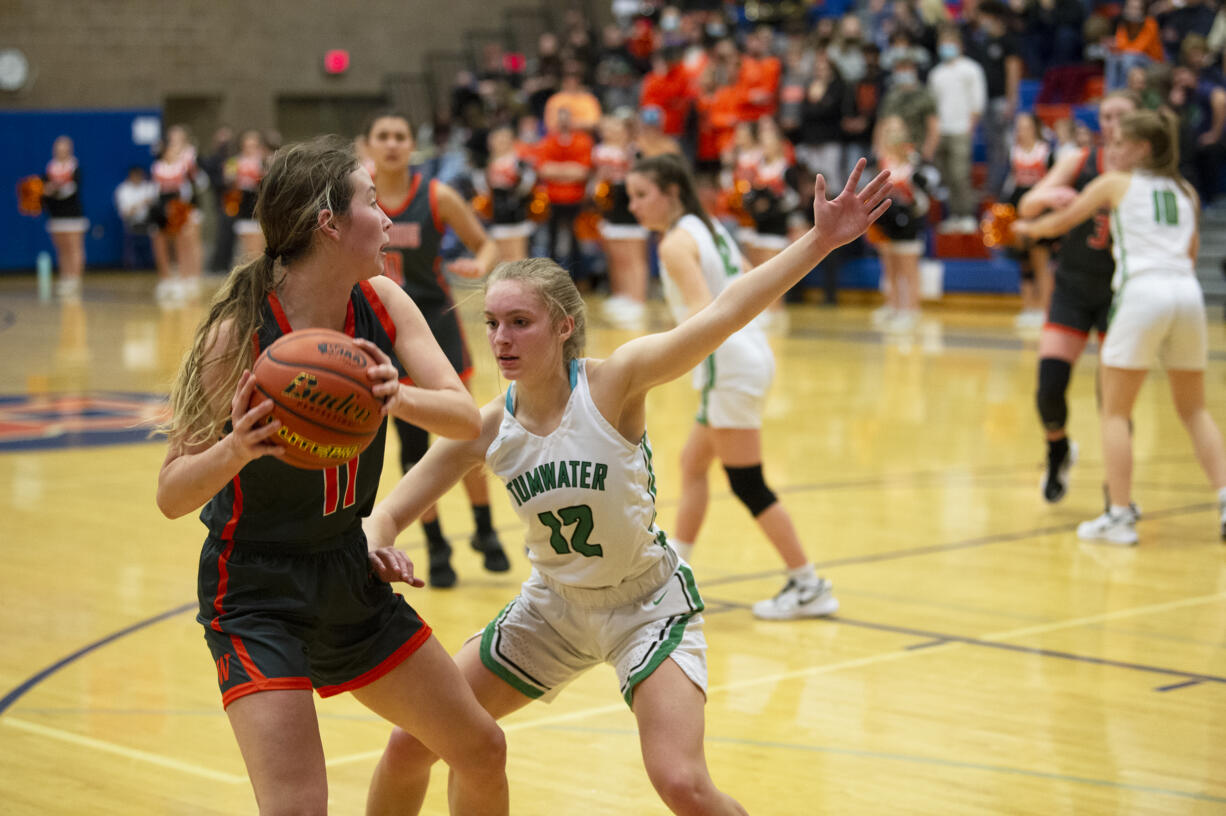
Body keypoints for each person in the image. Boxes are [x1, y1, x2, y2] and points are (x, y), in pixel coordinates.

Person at [360, 159, 893, 815]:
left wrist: (819, 241)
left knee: (682, 784)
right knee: (413, 743)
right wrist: (376, 544)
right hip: (551, 609)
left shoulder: (615, 382)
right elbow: (387, 513)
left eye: (519, 322)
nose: (501, 338)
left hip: (645, 606)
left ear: (563, 326)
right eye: (493, 323)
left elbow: (724, 313)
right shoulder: (486, 424)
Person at [154, 135, 508, 815]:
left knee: (481, 747)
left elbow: (463, 418)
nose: (389, 220)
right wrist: (234, 450)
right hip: (254, 589)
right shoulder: (239, 334)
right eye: (372, 203)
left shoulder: (382, 300)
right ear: (330, 223)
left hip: (348, 568)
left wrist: (392, 395)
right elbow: (171, 495)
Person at [627, 152, 840, 619]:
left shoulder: (675, 244)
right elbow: (749, 281)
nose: (634, 206)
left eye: (642, 195)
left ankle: (808, 583)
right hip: (748, 354)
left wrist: (657, 356)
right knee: (692, 464)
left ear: (672, 193)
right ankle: (674, 577)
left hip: (729, 364)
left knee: (747, 483)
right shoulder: (713, 228)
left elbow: (705, 315)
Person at [1016, 109, 1226, 545]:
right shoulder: (1187, 191)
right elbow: (1190, 252)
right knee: (1194, 409)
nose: (1109, 149)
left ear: (1143, 148)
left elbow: (1062, 221)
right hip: (1187, 296)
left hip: (1142, 292)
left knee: (1115, 411)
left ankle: (1119, 514)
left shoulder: (1116, 183)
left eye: (1119, 143)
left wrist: (1026, 228)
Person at [366, 111, 511, 587]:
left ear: (412, 146)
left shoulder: (436, 195)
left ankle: (486, 530)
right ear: (369, 145)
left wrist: (478, 265)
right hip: (384, 332)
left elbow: (485, 243)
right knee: (412, 448)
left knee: (464, 432)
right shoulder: (356, 196)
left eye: (400, 136)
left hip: (436, 324)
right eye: (383, 136)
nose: (391, 144)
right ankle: (436, 546)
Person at [1017, 91, 1140, 504]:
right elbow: (1028, 205)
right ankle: (1058, 449)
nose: (1111, 124)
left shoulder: (1149, 173)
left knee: (1114, 400)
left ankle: (1116, 491)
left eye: (1120, 115)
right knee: (1049, 387)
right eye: (1105, 116)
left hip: (1119, 294)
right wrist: (1048, 197)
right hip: (1072, 286)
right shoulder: (1081, 161)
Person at [592, 113, 649, 329]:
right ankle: (622, 295)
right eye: (609, 127)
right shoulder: (600, 151)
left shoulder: (634, 152)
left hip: (630, 208)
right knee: (617, 256)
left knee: (634, 256)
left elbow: (642, 180)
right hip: (611, 207)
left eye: (617, 128)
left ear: (626, 130)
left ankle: (637, 300)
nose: (612, 132)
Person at [150, 125, 206, 304]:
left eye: (178, 137)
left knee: (188, 242)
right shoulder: (157, 165)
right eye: (171, 138)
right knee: (163, 241)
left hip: (184, 207)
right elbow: (155, 189)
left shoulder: (190, 159)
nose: (174, 141)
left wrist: (184, 208)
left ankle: (191, 278)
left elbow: (196, 184)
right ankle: (167, 279)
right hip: (163, 209)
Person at [41, 135, 89, 298]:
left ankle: (75, 280)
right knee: (61, 249)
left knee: (74, 247)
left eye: (64, 149)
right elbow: (44, 189)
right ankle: (66, 277)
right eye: (58, 149)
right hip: (55, 215)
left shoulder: (75, 168)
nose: (61, 152)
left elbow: (70, 189)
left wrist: (53, 189)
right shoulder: (50, 168)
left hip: (73, 214)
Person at [114, 165, 157, 271]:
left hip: (149, 222)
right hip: (132, 223)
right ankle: (131, 265)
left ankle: (154, 264)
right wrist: (142, 203)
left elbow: (155, 205)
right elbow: (126, 213)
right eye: (135, 176)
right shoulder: (123, 190)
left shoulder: (150, 187)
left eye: (140, 176)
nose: (138, 178)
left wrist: (137, 206)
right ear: (130, 176)